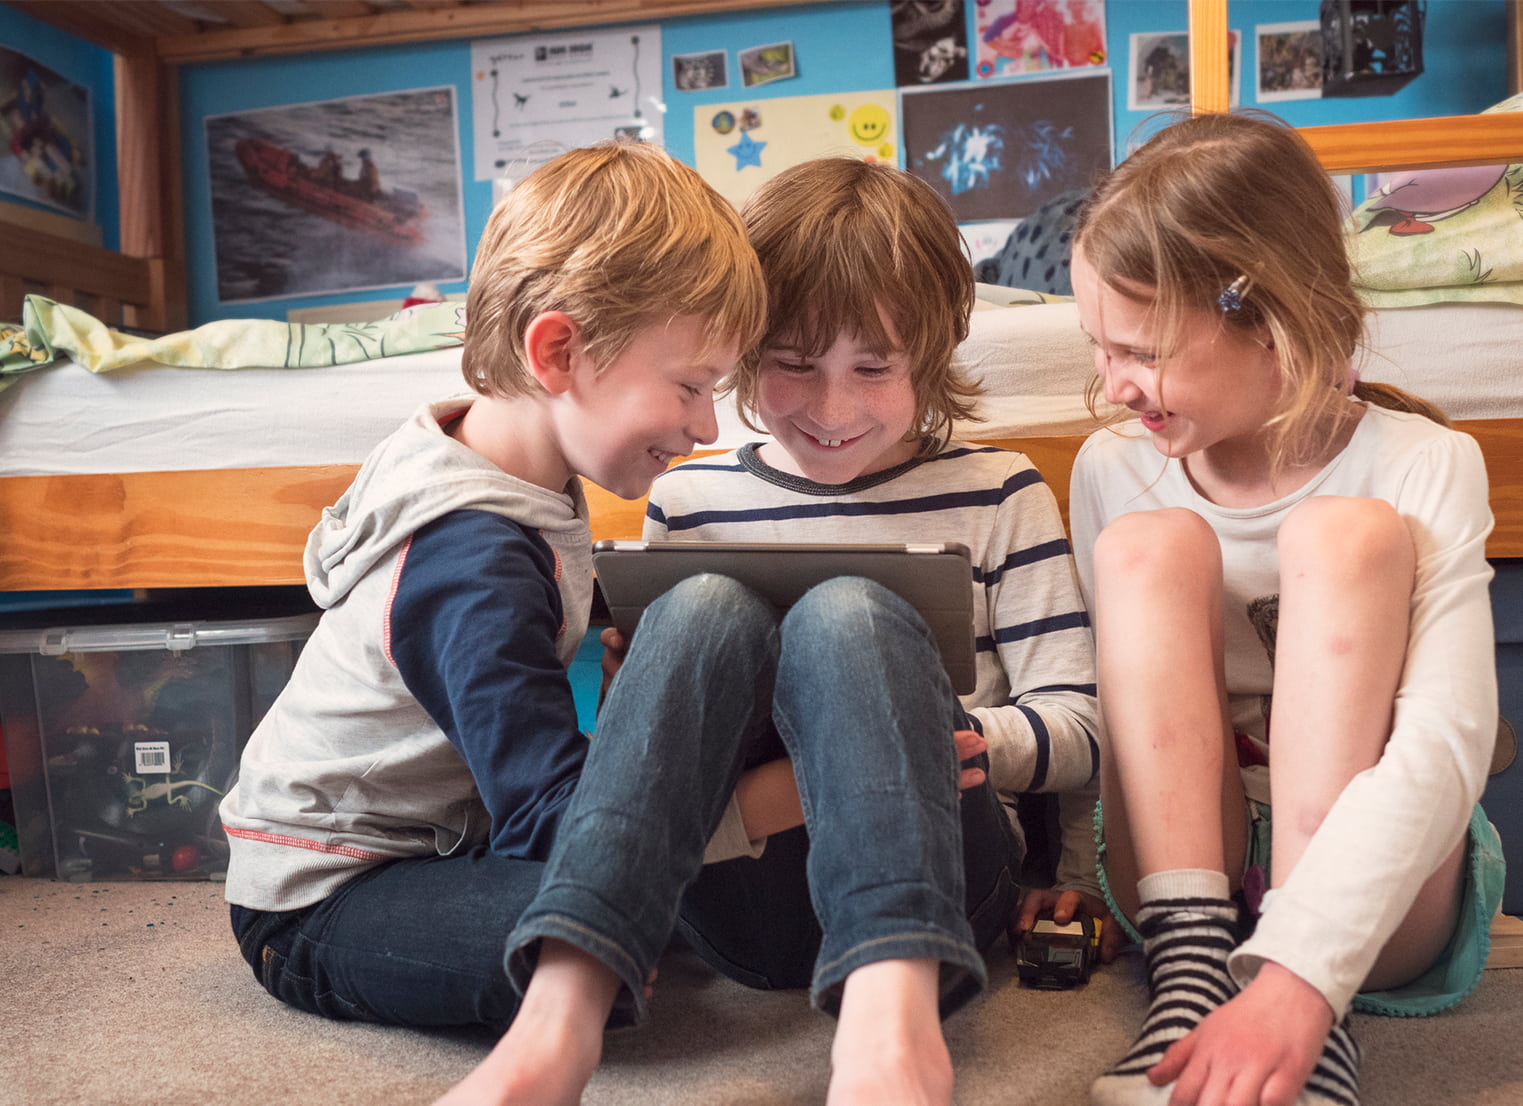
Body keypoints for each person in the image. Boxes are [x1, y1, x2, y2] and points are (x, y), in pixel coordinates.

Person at [216, 140, 772, 1103]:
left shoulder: (522, 478)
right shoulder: (468, 561)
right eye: (689, 385)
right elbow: (548, 819)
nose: (707, 427)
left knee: (629, 893)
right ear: (557, 352)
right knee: (603, 928)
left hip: (444, 839)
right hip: (322, 901)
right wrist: (780, 796)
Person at [612, 156, 1109, 1101]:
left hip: (945, 884)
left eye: (873, 369)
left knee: (850, 615)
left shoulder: (997, 494)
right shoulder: (686, 497)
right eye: (792, 365)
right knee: (722, 621)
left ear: (933, 357)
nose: (832, 410)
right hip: (742, 902)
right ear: (739, 348)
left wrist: (959, 743)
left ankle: (890, 1026)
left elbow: (1079, 730)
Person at [1067, 111, 1504, 1106]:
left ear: (1268, 317)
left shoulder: (1423, 462)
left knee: (1342, 535)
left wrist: (1303, 964)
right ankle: (1187, 985)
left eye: (1137, 349)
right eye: (1097, 346)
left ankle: (1310, 1014)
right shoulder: (1114, 467)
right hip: (1185, 878)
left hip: (1379, 886)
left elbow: (1446, 740)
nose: (1110, 385)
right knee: (1142, 545)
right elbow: (1118, 722)